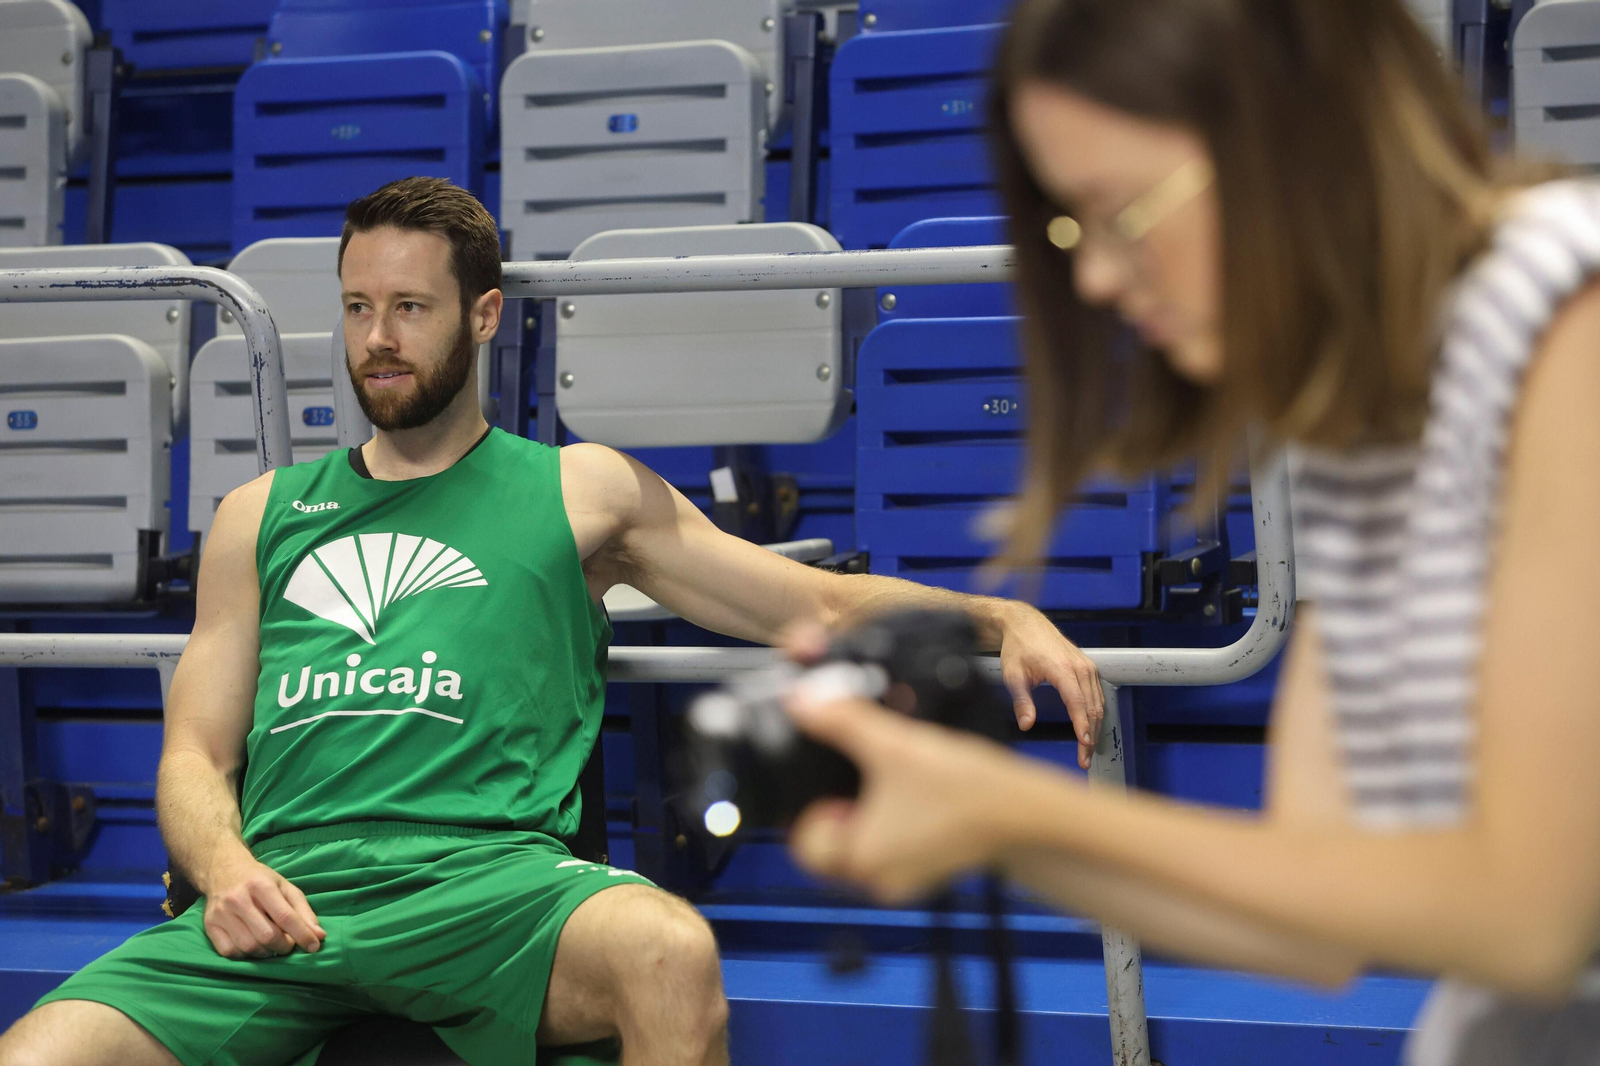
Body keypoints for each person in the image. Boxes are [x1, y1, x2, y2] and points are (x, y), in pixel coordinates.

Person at [0, 176, 1104, 1066]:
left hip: (488, 888)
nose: (378, 338)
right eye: (357, 307)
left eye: (410, 308)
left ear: (482, 315)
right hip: (286, 895)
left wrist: (995, 615)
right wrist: (222, 864)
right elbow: (194, 753)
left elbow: (808, 601)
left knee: (669, 952)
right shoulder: (259, 515)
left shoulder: (581, 491)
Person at [782, 2, 1600, 1064]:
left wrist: (1010, 810)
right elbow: (1310, 915)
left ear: (1287, 131)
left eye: (1119, 212)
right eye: (1070, 229)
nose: (1093, 277)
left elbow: (1528, 917)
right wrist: (971, 812)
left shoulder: (1565, 315)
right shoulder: (1354, 417)